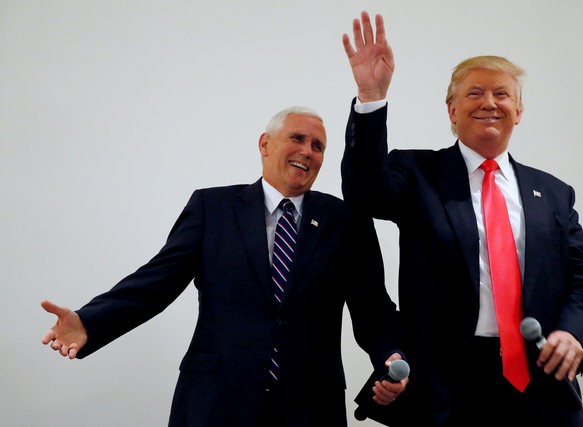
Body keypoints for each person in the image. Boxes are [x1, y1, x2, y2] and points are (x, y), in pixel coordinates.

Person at [41, 106, 408, 427]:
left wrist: (391, 357)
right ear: (265, 144)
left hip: (309, 406)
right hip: (215, 401)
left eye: (318, 146)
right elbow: (156, 283)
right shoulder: (212, 208)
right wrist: (90, 321)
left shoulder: (346, 222)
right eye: (298, 138)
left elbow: (373, 310)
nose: (307, 152)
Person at [340, 11, 583, 427]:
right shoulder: (417, 175)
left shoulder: (553, 192)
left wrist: (573, 333)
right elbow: (363, 192)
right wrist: (371, 97)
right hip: (446, 389)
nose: (489, 102)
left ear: (518, 111)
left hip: (541, 388)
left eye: (502, 94)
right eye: (474, 93)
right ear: (452, 110)